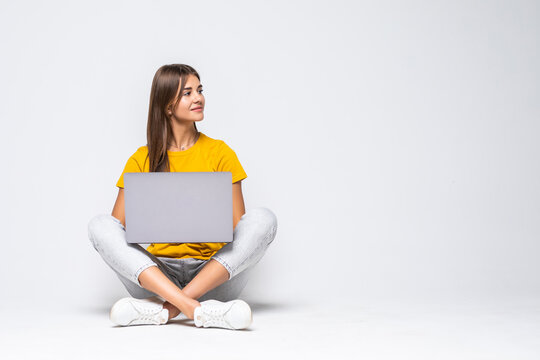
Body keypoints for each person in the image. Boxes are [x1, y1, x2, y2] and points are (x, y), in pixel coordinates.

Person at [87, 64, 278, 330]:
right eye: (187, 93)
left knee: (264, 220)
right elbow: (115, 231)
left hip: (212, 278)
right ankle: (195, 310)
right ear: (167, 106)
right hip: (157, 277)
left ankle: (166, 310)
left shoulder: (220, 153)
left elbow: (240, 230)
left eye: (199, 90)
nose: (198, 97)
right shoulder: (141, 159)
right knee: (99, 225)